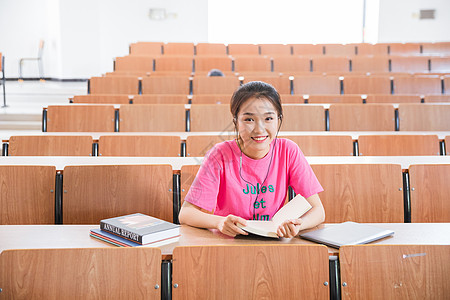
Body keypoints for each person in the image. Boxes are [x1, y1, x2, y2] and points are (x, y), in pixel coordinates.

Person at [179, 81, 325, 238]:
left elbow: (318, 211)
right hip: (229, 242)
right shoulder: (219, 155)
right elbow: (186, 213)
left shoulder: (289, 151)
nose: (259, 129)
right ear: (235, 121)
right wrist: (219, 222)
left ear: (278, 119)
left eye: (268, 119)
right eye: (249, 120)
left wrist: (298, 225)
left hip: (274, 241)